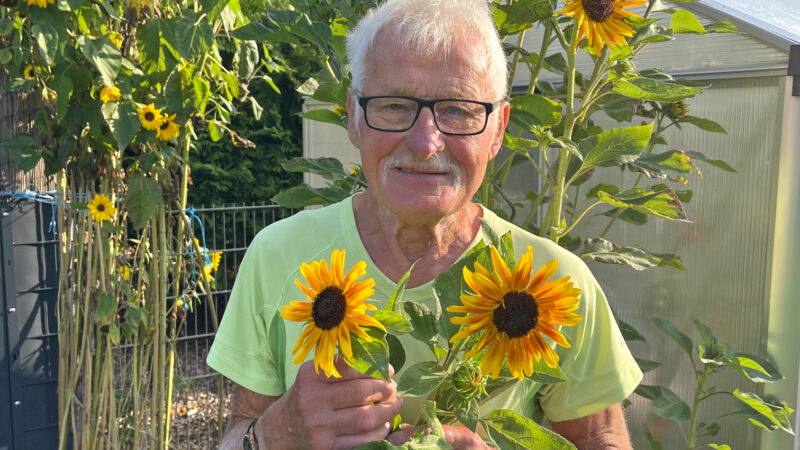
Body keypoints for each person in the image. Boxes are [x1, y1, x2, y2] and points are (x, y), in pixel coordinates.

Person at [207, 0, 643, 448]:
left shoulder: (557, 281)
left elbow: (603, 440)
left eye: (458, 110)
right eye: (394, 106)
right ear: (353, 117)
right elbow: (241, 428)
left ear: (497, 130)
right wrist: (279, 431)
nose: (425, 141)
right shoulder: (278, 255)